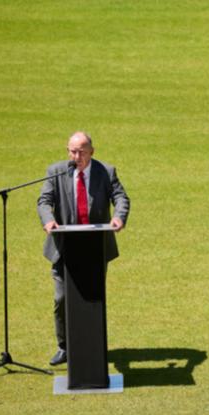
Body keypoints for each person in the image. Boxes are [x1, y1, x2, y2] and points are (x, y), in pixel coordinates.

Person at [37, 132, 130, 366]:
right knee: (61, 298)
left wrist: (119, 218)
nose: (75, 156)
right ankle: (64, 346)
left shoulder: (105, 172)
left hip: (95, 247)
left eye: (81, 152)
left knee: (93, 298)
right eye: (71, 151)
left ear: (92, 152)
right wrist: (48, 220)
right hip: (63, 247)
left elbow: (120, 197)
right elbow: (44, 201)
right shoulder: (56, 171)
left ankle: (93, 346)